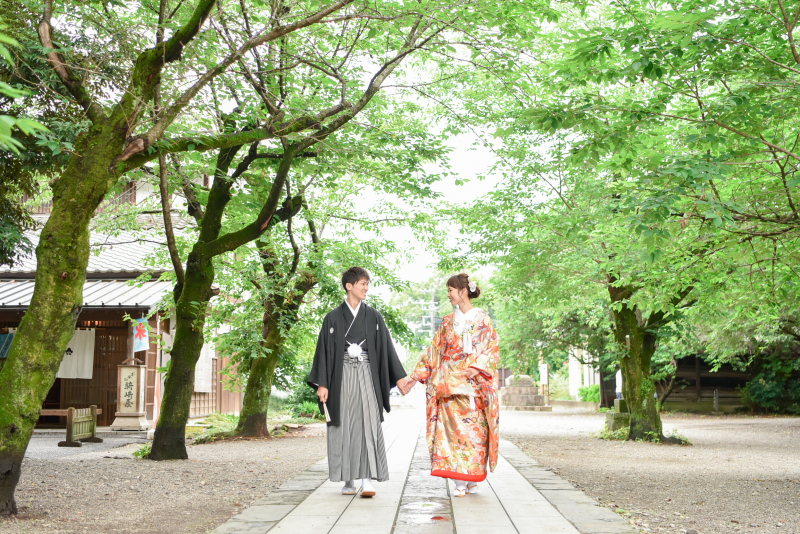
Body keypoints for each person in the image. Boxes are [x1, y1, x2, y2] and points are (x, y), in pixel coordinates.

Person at [307, 266, 408, 497]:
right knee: (344, 424)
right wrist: (322, 383)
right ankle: (348, 479)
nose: (366, 288)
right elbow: (323, 351)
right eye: (362, 283)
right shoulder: (332, 318)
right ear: (349, 286)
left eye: (367, 284)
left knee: (368, 423)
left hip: (366, 373)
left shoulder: (374, 316)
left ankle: (367, 480)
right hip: (340, 375)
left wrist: (400, 378)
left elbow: (387, 348)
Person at [400, 273, 500, 497]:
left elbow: (492, 347)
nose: (448, 295)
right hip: (448, 387)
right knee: (452, 434)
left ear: (463, 291)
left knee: (474, 434)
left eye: (451, 290)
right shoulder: (447, 322)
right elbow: (434, 352)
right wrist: (414, 377)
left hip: (473, 387)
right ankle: (459, 481)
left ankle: (472, 478)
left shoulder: (483, 319)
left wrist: (478, 368)